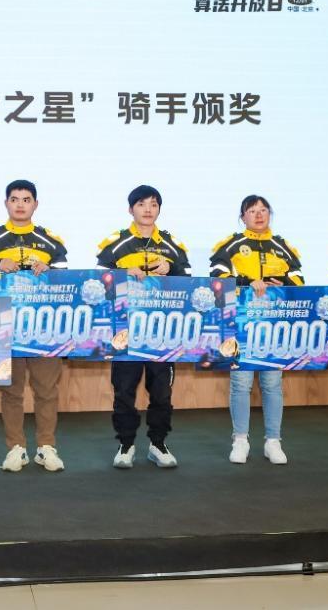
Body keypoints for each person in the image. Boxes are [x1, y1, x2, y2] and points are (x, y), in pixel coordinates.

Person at [0, 179, 69, 473]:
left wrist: (50, 271)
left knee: (46, 391)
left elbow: (67, 280)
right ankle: (16, 448)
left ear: (35, 204)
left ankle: (46, 447)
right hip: (3, 329)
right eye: (15, 199)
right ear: (6, 203)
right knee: (10, 392)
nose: (20, 204)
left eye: (26, 199)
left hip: (43, 330)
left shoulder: (51, 241)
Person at [96, 185, 190, 470]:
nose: (148, 209)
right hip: (126, 331)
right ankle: (125, 445)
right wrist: (123, 273)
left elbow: (189, 282)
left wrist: (171, 270)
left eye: (153, 204)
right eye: (141, 204)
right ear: (131, 209)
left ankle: (158, 444)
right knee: (124, 391)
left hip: (163, 332)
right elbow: (97, 279)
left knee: (162, 392)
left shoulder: (173, 245)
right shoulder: (115, 243)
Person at [209, 195, 303, 466]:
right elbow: (217, 276)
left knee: (272, 384)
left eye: (263, 210)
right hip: (241, 324)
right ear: (243, 217)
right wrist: (247, 281)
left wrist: (283, 283)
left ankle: (273, 441)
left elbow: (299, 279)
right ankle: (240, 440)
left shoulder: (283, 246)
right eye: (252, 211)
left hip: (274, 325)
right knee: (241, 383)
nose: (259, 215)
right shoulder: (229, 245)